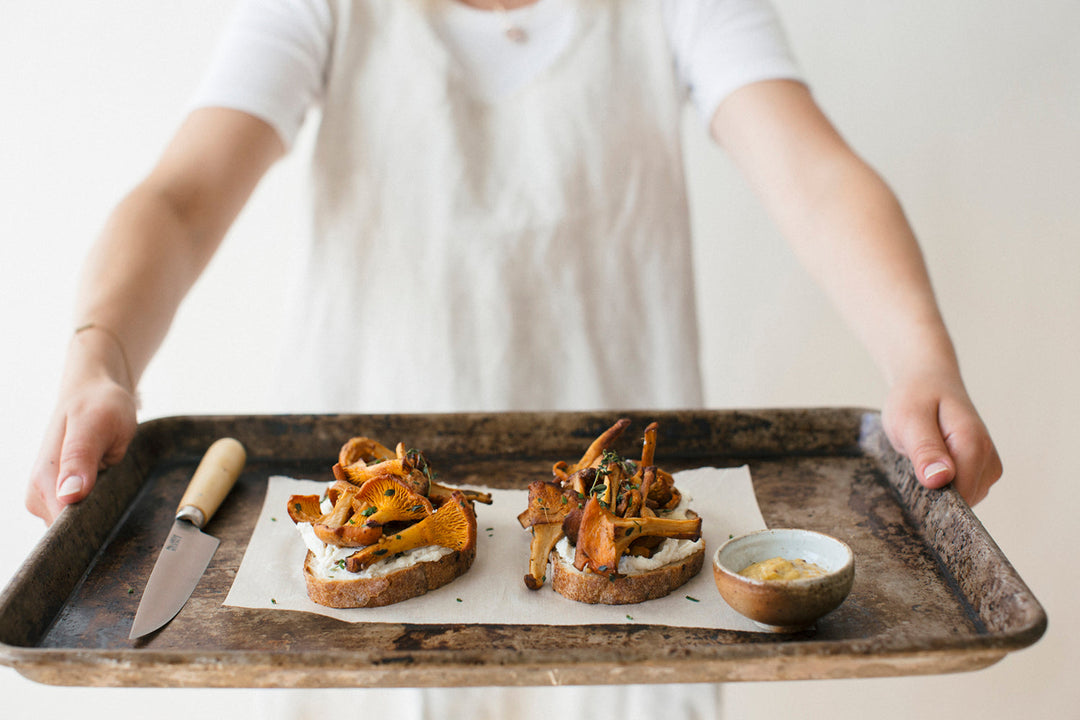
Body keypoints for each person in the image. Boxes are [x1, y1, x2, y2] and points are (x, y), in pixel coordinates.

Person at [24, 0, 1001, 717]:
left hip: (626, 601)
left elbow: (814, 177)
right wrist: (98, 352)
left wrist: (921, 357)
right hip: (362, 619)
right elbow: (181, 201)